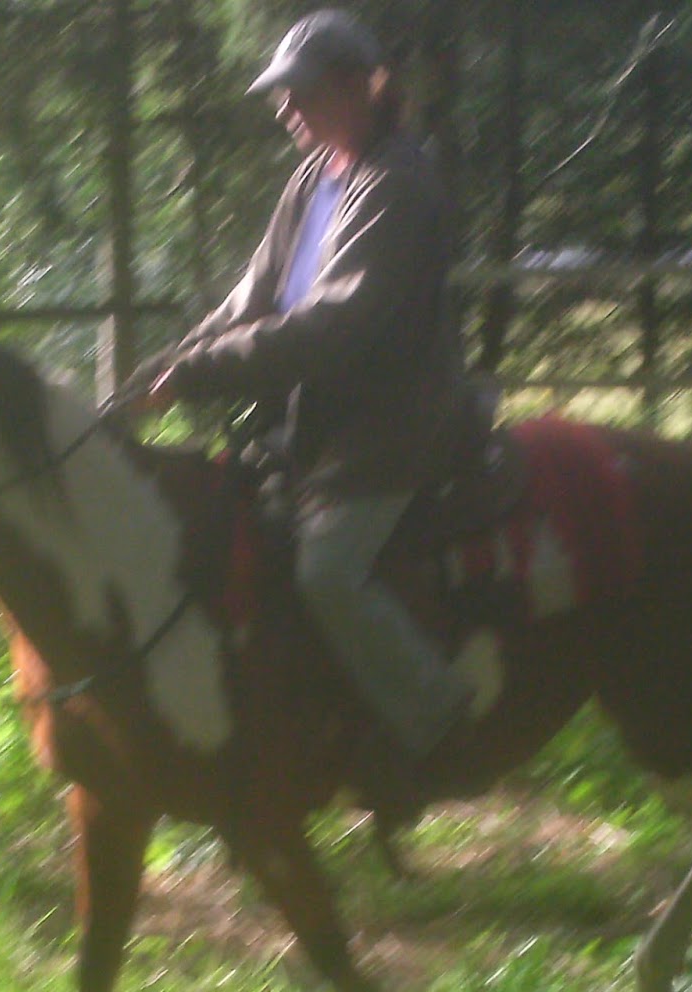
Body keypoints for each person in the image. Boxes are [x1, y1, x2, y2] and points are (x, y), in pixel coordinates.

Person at [138, 8, 475, 792]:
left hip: (390, 430)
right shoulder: (313, 175)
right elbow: (251, 299)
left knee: (327, 572)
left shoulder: (397, 184)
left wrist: (198, 375)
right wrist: (172, 359)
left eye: (302, 92)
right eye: (280, 95)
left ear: (360, 86)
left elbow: (329, 327)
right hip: (316, 423)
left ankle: (438, 722)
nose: (285, 108)